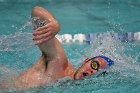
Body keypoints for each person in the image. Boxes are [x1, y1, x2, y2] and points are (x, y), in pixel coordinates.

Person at [0, 6, 114, 89]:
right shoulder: (59, 62)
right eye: (95, 65)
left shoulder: (69, 84)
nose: (92, 71)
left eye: (98, 72)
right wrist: (53, 22)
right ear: (86, 60)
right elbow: (36, 11)